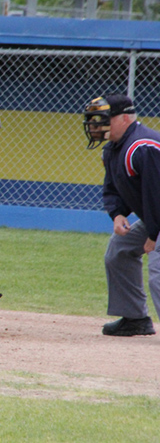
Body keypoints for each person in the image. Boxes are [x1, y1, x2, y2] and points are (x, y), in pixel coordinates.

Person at [83, 94, 160, 337]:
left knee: (158, 273)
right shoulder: (113, 150)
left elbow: (156, 193)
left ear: (125, 118)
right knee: (119, 250)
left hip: (158, 216)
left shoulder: (143, 147)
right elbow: (112, 188)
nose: (96, 125)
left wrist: (153, 234)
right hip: (155, 218)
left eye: (103, 119)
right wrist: (117, 214)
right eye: (93, 120)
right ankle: (135, 318)